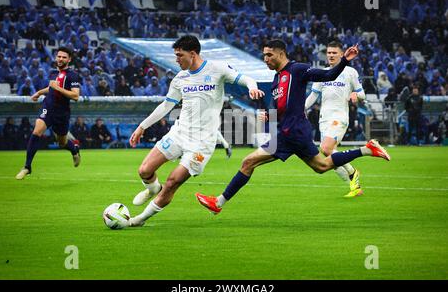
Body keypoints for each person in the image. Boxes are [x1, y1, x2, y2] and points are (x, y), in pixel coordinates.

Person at [195, 39, 391, 214]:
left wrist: (345, 61)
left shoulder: (297, 70)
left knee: (248, 162)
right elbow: (281, 109)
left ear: (281, 54)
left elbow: (329, 75)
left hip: (293, 132)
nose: (265, 59)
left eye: (269, 54)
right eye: (264, 55)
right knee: (322, 166)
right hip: (289, 131)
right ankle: (367, 149)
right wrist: (268, 114)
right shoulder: (276, 80)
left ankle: (218, 203)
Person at [127, 35, 264, 227]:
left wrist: (253, 88)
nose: (176, 60)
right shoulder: (180, 78)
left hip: (202, 143)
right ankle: (152, 189)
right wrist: (142, 127)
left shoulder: (217, 68)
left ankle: (139, 219)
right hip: (179, 134)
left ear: (193, 54)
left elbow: (245, 78)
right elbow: (166, 106)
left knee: (173, 181)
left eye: (179, 55)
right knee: (144, 170)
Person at [304, 41, 366, 197]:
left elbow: (362, 93)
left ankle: (353, 172)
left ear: (341, 54)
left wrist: (356, 95)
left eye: (334, 53)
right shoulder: (322, 73)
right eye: (329, 53)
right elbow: (313, 97)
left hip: (340, 117)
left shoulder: (350, 72)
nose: (331, 55)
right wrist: (299, 109)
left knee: (325, 148)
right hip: (324, 119)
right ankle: (354, 187)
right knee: (329, 155)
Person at [15, 47, 81, 180]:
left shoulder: (72, 75)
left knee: (62, 142)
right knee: (37, 131)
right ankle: (27, 167)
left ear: (69, 59)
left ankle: (74, 149)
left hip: (62, 113)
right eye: (59, 56)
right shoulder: (52, 73)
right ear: (56, 57)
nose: (60, 59)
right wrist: (39, 92)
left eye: (64, 57)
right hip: (48, 108)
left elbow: (75, 95)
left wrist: (58, 88)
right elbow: (51, 88)